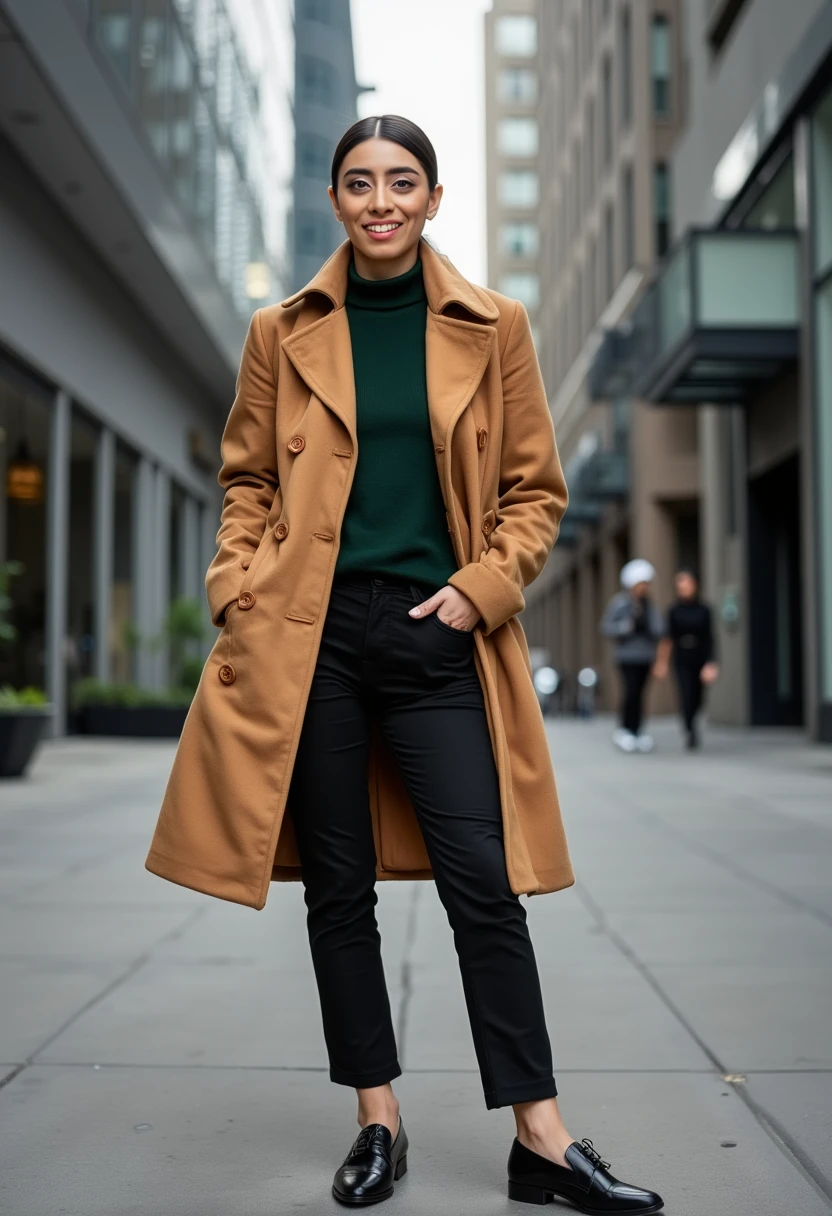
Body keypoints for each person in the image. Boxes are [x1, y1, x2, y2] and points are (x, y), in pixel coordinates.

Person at [146, 115, 663, 1214]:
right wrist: (235, 585)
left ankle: (541, 1137)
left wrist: (476, 594)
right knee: (337, 889)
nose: (380, 200)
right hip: (308, 637)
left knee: (484, 883)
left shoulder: (496, 326)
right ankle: (378, 1122)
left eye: (401, 181)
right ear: (334, 201)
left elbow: (533, 494)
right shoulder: (277, 331)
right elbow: (246, 479)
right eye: (357, 182)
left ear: (432, 198)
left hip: (439, 635)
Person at [600, 559, 665, 754]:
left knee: (641, 695)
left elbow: (659, 629)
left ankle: (638, 731)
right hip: (627, 657)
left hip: (646, 657)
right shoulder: (620, 603)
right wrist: (626, 627)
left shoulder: (649, 605)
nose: (644, 587)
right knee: (631, 693)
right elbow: (606, 627)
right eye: (641, 583)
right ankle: (625, 730)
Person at [654, 568, 719, 749]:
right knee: (686, 694)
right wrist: (662, 663)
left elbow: (710, 638)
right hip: (682, 657)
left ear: (695, 584)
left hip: (700, 657)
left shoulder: (704, 609)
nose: (682, 586)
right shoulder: (674, 610)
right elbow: (668, 639)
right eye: (679, 583)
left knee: (698, 697)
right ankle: (689, 728)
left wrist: (711, 663)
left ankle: (693, 721)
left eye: (685, 582)